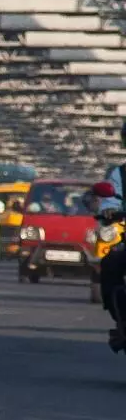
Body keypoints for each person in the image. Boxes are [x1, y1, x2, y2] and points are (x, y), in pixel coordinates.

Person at [97, 123, 126, 333]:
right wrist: (109, 211)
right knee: (111, 262)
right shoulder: (120, 173)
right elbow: (111, 198)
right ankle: (121, 321)